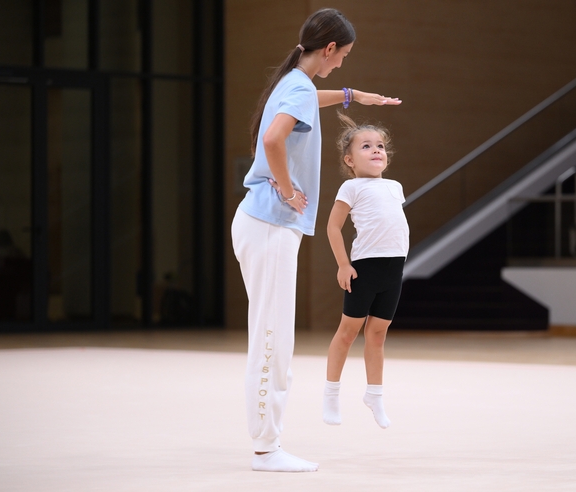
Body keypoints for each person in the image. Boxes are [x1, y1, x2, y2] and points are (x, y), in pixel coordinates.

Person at [231, 8, 401, 473]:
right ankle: (266, 449)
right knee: (272, 338)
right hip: (270, 225)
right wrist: (287, 189)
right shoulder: (297, 87)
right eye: (342, 56)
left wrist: (352, 95)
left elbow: (305, 102)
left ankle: (267, 443)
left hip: (262, 224)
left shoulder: (295, 81)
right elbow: (272, 140)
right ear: (328, 49)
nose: (341, 63)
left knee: (271, 334)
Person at [322, 113, 409, 430]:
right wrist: (343, 264)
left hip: (393, 267)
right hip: (364, 269)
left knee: (378, 334)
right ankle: (331, 393)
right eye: (367, 146)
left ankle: (375, 394)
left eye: (381, 146)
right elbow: (333, 227)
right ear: (349, 159)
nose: (377, 151)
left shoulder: (395, 187)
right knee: (348, 333)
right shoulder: (351, 187)